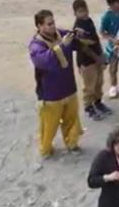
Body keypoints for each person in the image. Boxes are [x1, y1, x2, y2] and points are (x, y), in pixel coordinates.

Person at [29, 9, 84, 158]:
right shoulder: (36, 46)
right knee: (49, 126)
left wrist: (77, 34)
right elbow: (46, 62)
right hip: (51, 94)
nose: (53, 26)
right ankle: (45, 150)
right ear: (39, 26)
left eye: (53, 23)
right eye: (49, 24)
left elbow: (73, 40)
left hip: (68, 87)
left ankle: (72, 143)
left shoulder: (60, 34)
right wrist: (63, 46)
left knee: (72, 120)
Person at [72, 0, 111, 121]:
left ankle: (98, 102)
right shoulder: (78, 29)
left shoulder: (88, 21)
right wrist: (97, 58)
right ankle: (89, 107)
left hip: (97, 58)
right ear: (75, 13)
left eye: (85, 10)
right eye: (80, 11)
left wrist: (102, 55)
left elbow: (96, 40)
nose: (84, 13)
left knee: (99, 83)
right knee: (90, 86)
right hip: (87, 61)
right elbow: (84, 48)